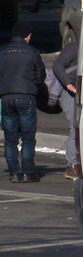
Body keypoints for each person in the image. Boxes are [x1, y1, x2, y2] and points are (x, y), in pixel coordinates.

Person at [0, 21, 45, 182]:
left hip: (6, 97)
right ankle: (28, 172)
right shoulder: (32, 52)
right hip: (26, 95)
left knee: (10, 137)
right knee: (27, 136)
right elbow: (41, 76)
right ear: (27, 36)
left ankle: (14, 172)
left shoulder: (2, 51)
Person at [53, 36, 79, 179]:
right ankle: (71, 165)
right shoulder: (74, 47)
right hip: (70, 93)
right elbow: (57, 65)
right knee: (74, 127)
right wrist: (69, 85)